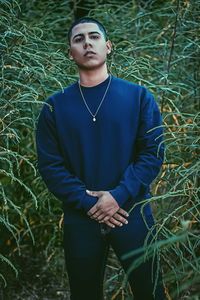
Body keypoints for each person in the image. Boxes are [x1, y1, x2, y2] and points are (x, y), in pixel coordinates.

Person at [36, 17, 167, 300]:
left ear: (108, 47)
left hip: (131, 213)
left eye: (94, 37)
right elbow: (50, 165)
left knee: (150, 291)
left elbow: (153, 152)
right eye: (78, 39)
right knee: (84, 294)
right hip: (80, 218)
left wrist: (118, 195)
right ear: (70, 52)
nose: (87, 43)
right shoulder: (54, 107)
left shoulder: (139, 96)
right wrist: (89, 203)